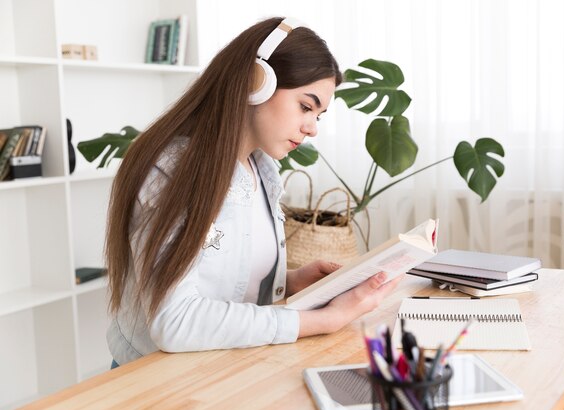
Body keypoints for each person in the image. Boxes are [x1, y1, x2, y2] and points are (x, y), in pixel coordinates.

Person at [106, 16, 402, 367]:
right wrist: (321, 320)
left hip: (222, 369)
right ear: (255, 82)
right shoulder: (172, 172)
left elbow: (216, 280)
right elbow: (175, 321)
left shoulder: (261, 171)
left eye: (318, 115)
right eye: (306, 106)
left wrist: (287, 281)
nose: (312, 128)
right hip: (156, 381)